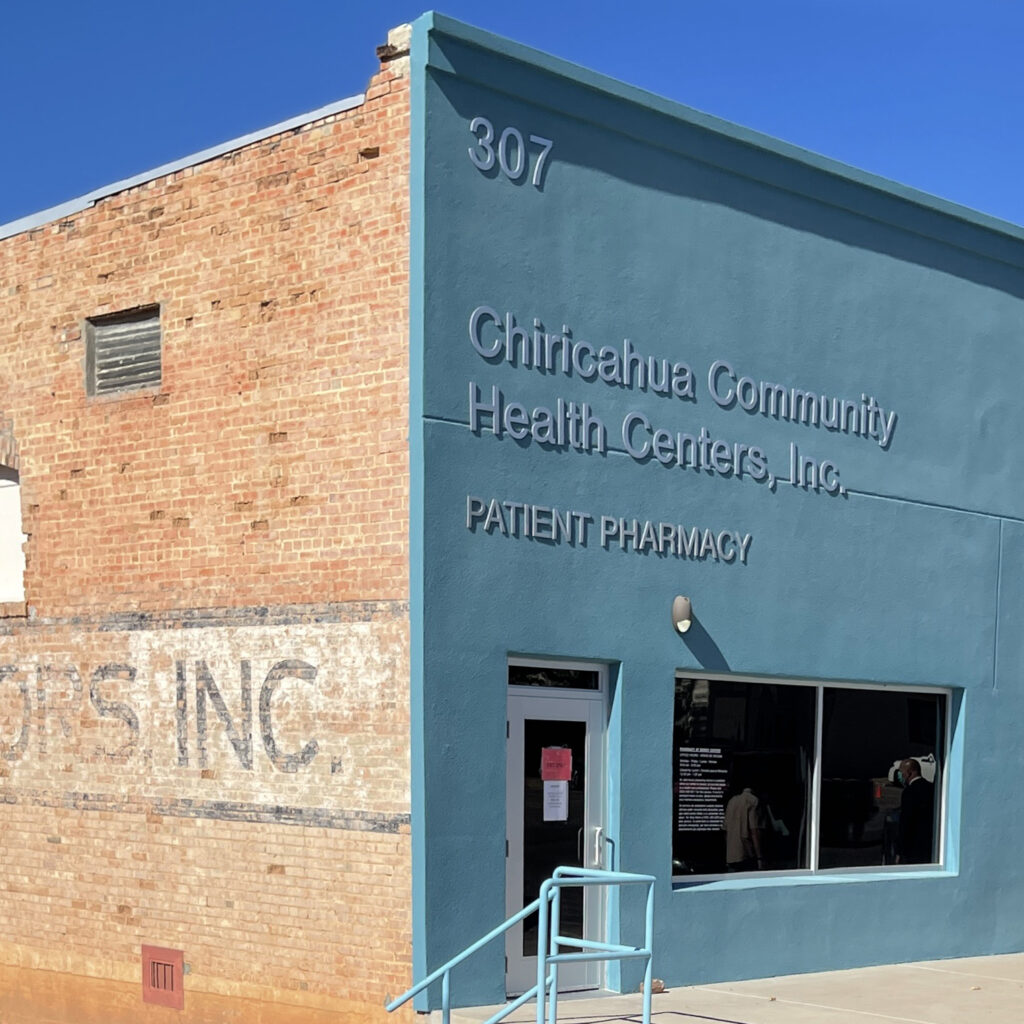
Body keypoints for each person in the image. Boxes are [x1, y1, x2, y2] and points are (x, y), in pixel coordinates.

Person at [897, 758, 935, 864]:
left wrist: (900, 850)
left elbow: (906, 822)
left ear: (909, 773)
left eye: (902, 773)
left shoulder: (909, 792)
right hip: (930, 842)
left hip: (913, 844)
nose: (901, 776)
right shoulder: (931, 788)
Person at [723, 785, 766, 871]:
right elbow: (754, 831)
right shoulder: (753, 800)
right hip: (746, 855)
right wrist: (759, 858)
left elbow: (726, 831)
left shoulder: (732, 801)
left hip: (731, 856)